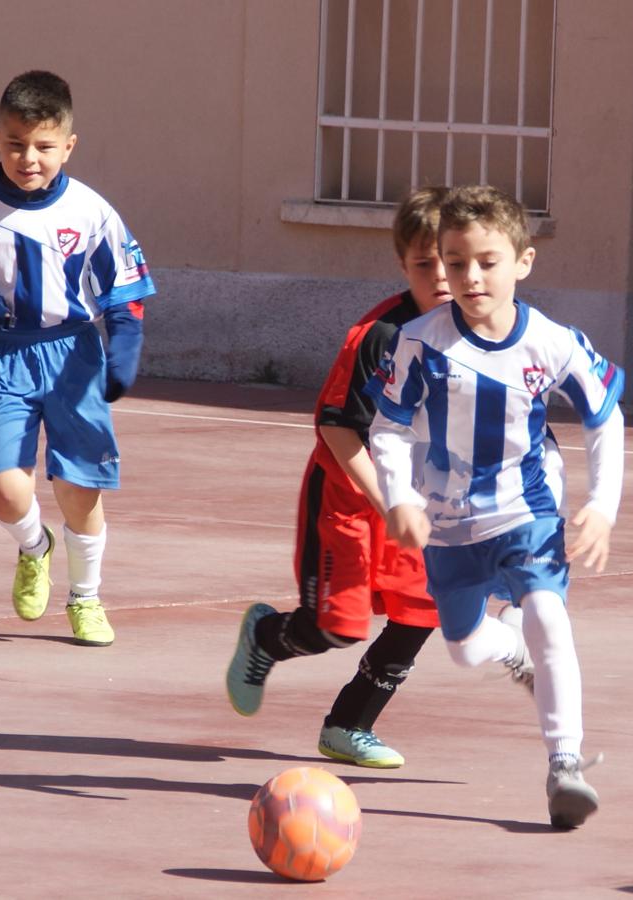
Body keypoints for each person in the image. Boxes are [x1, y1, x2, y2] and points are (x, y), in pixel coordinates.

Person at [225, 187, 533, 769]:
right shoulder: (382, 337)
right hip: (349, 495)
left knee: (421, 612)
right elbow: (339, 431)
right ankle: (267, 637)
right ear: (403, 265)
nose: (447, 277)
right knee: (335, 628)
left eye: (459, 260)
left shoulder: (491, 335)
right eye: (427, 264)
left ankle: (347, 725)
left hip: (422, 504)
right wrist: (392, 501)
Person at [365, 184, 624, 828]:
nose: (470, 276)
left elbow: (605, 418)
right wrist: (399, 499)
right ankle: (508, 649)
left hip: (527, 507)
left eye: (487, 260)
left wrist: (602, 505)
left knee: (547, 614)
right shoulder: (418, 342)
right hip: (448, 524)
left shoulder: (553, 343)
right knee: (461, 646)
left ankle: (565, 763)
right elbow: (388, 432)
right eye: (455, 262)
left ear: (523, 261)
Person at [0, 70, 156, 646]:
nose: (29, 158)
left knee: (79, 488)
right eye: (15, 144)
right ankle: (35, 548)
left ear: (68, 146)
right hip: (1, 358)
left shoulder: (91, 212)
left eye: (44, 146)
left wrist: (123, 352)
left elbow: (126, 292)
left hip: (74, 356)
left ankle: (86, 597)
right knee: (7, 488)